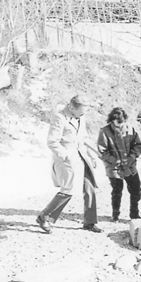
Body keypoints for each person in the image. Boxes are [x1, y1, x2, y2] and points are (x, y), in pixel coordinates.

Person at [36, 95, 103, 234]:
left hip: (81, 156)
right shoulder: (60, 118)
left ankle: (90, 222)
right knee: (68, 190)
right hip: (66, 159)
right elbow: (52, 142)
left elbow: (84, 138)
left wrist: (91, 155)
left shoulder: (81, 117)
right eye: (81, 111)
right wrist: (66, 156)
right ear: (71, 107)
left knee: (89, 187)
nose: (83, 114)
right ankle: (44, 217)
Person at [97, 107, 141, 222]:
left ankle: (134, 214)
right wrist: (114, 160)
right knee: (117, 191)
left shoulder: (131, 129)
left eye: (122, 123)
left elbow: (137, 145)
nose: (120, 126)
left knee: (136, 189)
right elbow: (102, 151)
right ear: (112, 120)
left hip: (130, 165)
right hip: (114, 167)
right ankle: (115, 214)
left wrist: (131, 157)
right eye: (118, 123)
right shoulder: (105, 132)